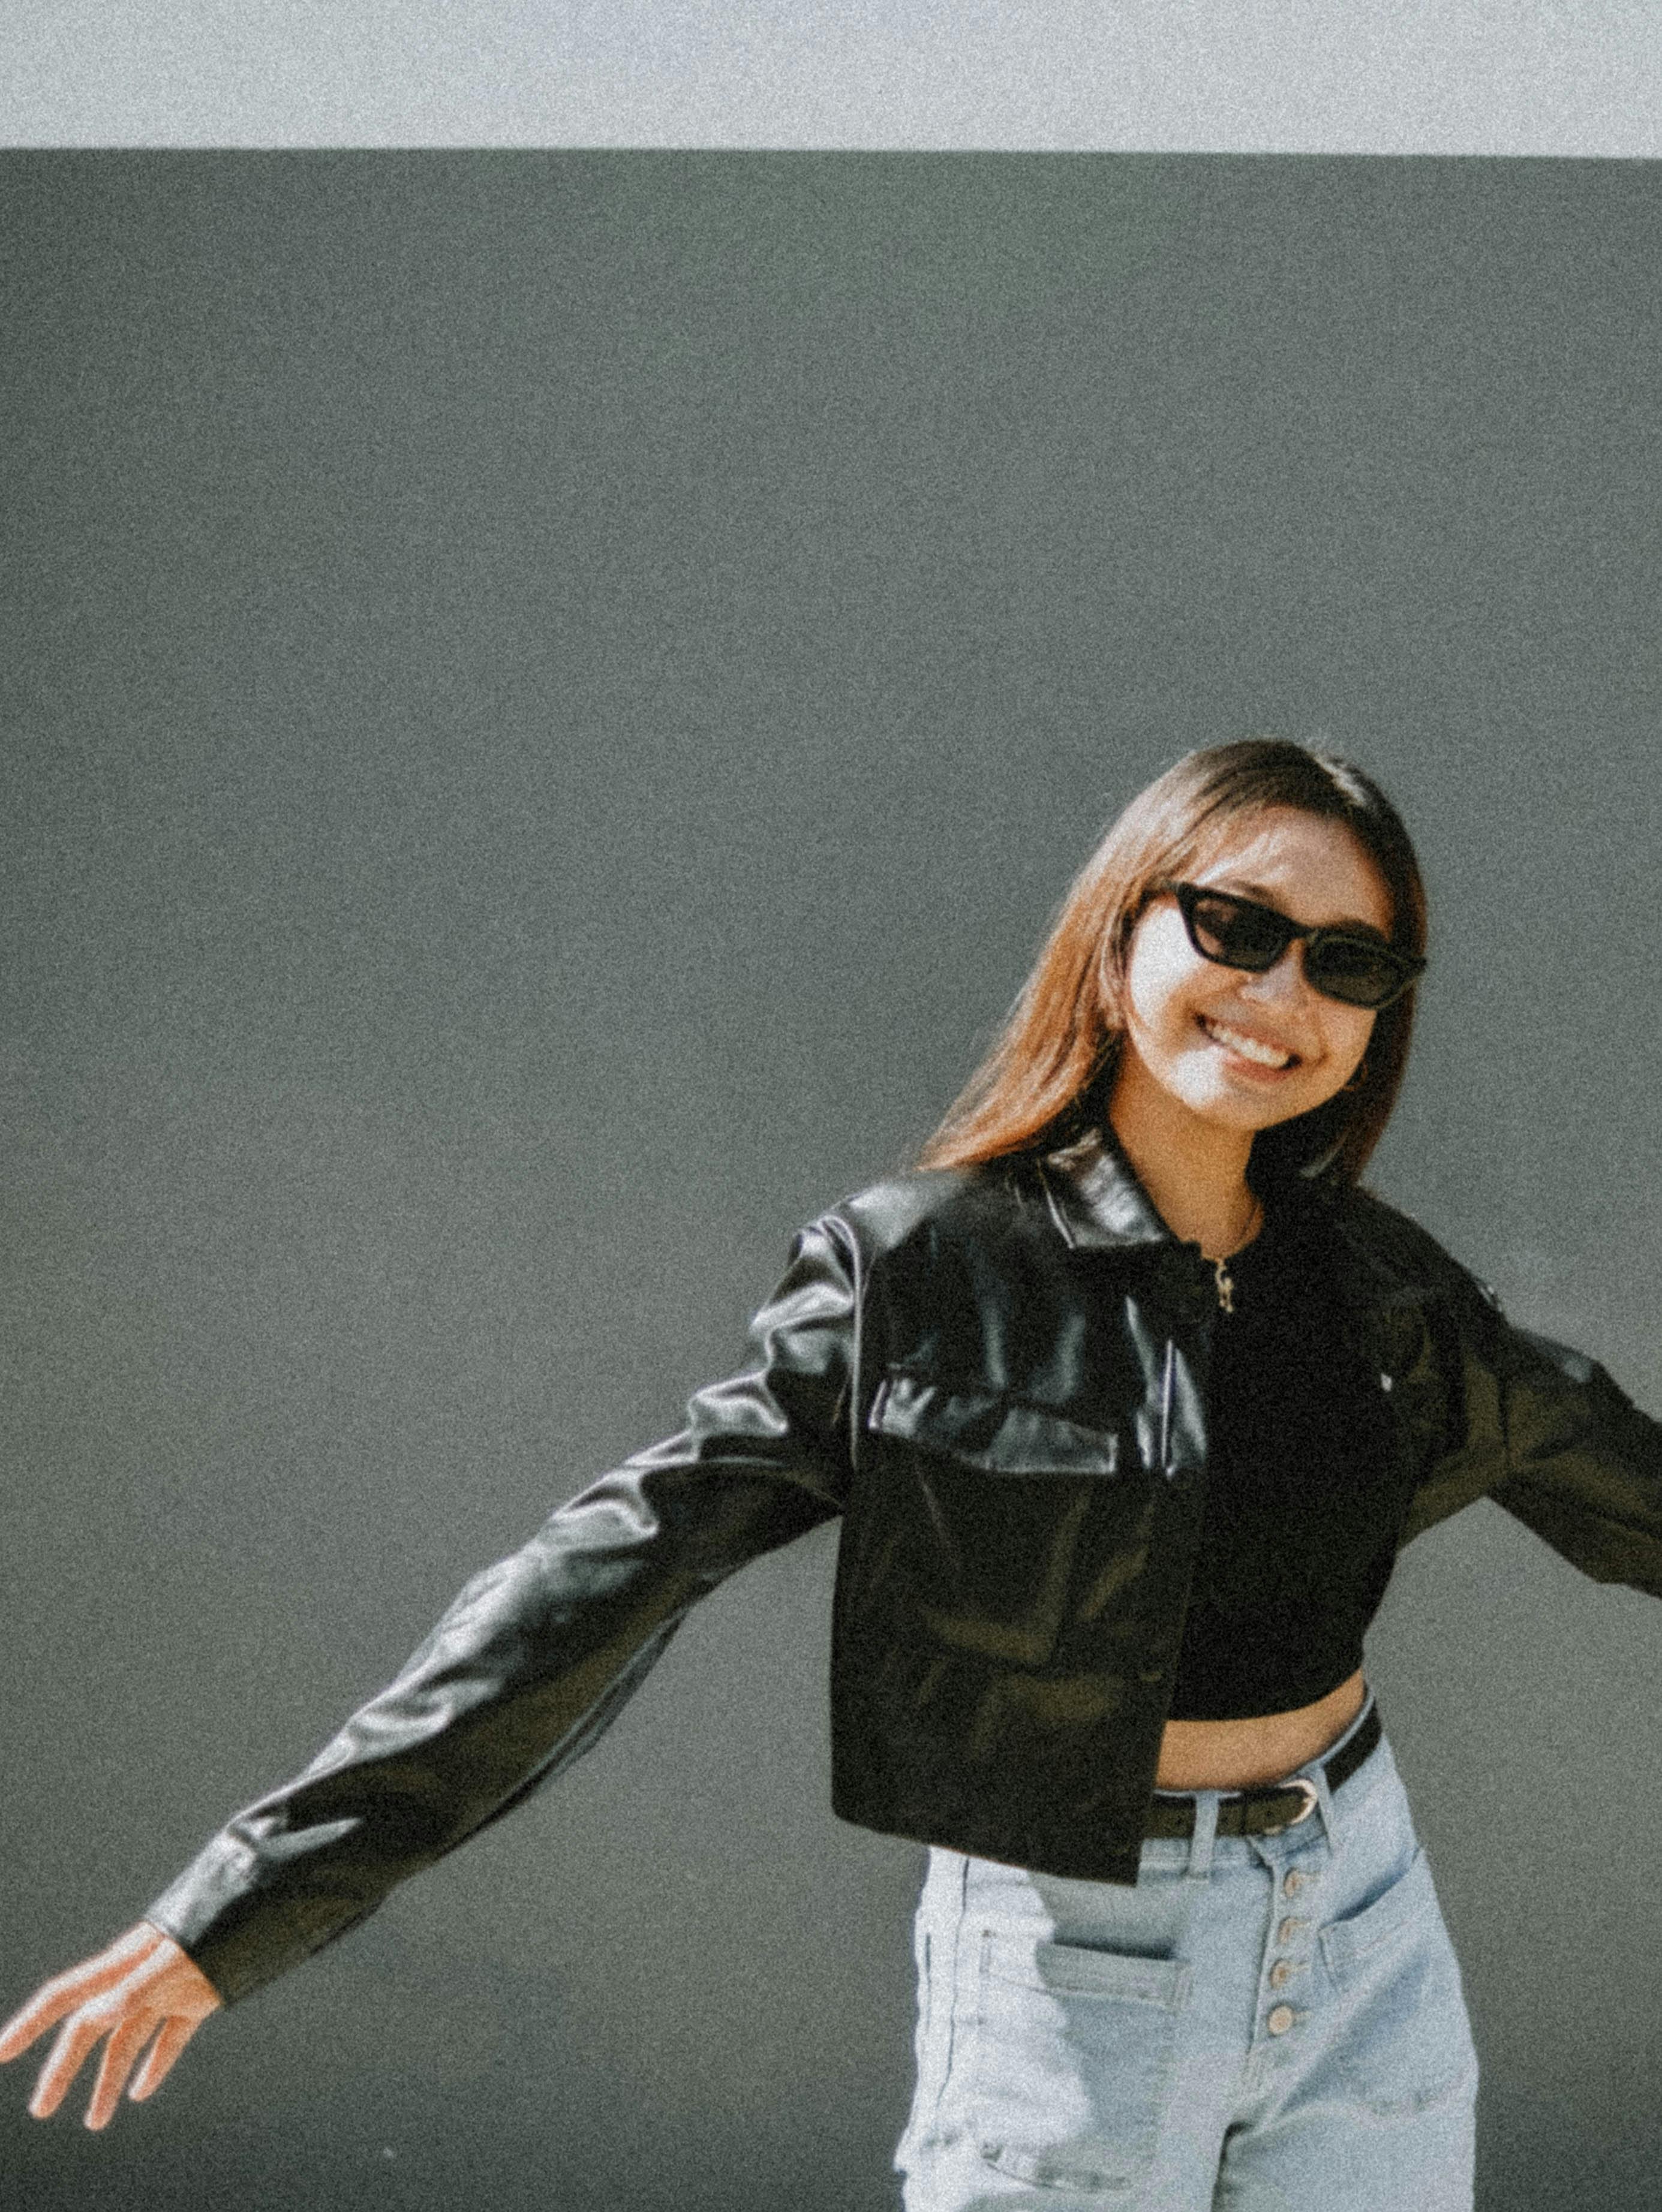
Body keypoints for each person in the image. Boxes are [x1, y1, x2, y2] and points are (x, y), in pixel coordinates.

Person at [4, 738, 1660, 2210]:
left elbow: (1626, 1491)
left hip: (1356, 1920)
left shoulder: (1383, 1295)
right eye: (1232, 926)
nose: (1279, 991)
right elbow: (607, 1568)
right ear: (1122, 933)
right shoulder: (920, 1276)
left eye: (1346, 960)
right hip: (1083, 1959)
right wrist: (253, 1896)